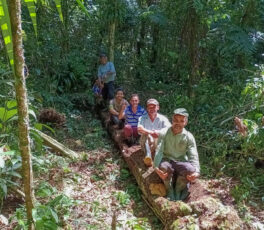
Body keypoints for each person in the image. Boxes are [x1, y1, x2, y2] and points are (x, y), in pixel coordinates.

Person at [154, 108, 200, 201]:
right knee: (163, 167)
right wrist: (156, 167)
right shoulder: (164, 133)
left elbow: (193, 155)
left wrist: (197, 171)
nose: (178, 123)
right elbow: (159, 151)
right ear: (172, 120)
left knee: (191, 170)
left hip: (180, 161)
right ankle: (169, 189)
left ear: (185, 123)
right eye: (176, 120)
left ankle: (179, 190)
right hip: (167, 159)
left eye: (181, 121)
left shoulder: (188, 136)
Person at [137, 99, 171, 167]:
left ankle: (158, 156)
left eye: (154, 107)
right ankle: (148, 157)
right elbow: (139, 129)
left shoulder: (163, 118)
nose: (152, 109)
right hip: (145, 143)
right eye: (150, 107)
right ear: (147, 108)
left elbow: (169, 129)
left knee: (158, 135)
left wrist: (158, 132)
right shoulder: (142, 118)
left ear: (158, 107)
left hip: (157, 143)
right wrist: (151, 133)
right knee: (146, 135)